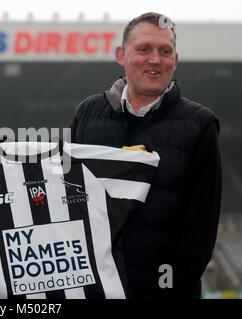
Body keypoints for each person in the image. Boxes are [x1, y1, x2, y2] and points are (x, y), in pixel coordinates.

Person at [69, 12, 221, 298]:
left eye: (165, 51)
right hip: (93, 289)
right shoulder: (87, 112)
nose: (155, 59)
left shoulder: (200, 124)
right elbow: (51, 169)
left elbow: (200, 235)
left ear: (175, 60)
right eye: (144, 49)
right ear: (120, 55)